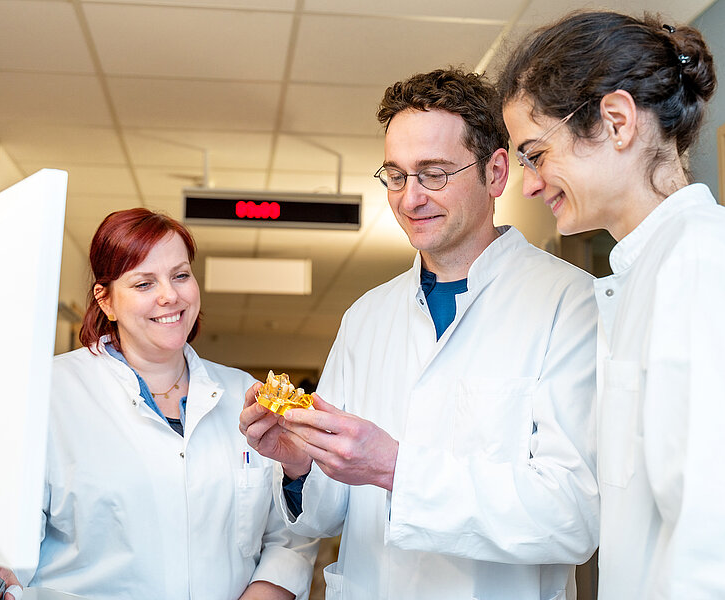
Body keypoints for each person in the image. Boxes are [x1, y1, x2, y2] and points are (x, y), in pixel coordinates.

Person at [241, 68, 600, 599]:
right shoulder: (367, 316)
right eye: (396, 175)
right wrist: (298, 466)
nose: (410, 199)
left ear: (496, 173)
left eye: (434, 173)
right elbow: (326, 515)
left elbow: (571, 516)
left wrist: (395, 468)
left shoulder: (571, 302)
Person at [497, 11, 725, 598]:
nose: (529, 184)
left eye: (536, 153)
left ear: (615, 121)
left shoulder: (700, 259)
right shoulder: (654, 268)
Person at [0, 209, 317, 600]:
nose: (169, 295)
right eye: (143, 283)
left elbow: (291, 535)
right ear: (106, 300)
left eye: (181, 275)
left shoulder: (245, 395)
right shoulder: (47, 394)